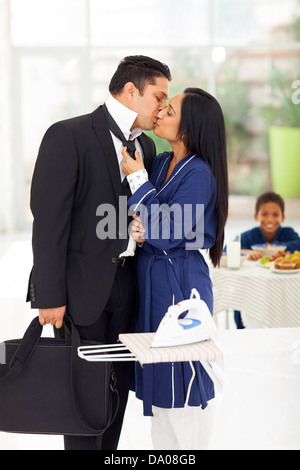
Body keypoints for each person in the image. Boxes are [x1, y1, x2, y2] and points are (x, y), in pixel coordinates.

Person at [26, 55, 171, 450]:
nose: (163, 108)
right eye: (158, 97)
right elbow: (49, 221)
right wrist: (50, 296)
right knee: (80, 403)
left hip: (128, 289)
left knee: (114, 399)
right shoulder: (68, 134)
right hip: (79, 292)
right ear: (130, 90)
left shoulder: (149, 149)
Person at [122, 88, 228, 450]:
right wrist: (140, 228)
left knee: (185, 385)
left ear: (190, 127)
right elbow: (144, 221)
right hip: (153, 281)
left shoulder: (199, 173)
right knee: (162, 394)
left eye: (171, 109)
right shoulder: (160, 161)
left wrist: (138, 183)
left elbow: (167, 230)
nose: (161, 112)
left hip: (181, 284)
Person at [234, 191, 300, 329]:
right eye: (264, 214)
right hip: (254, 292)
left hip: (281, 293)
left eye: (275, 215)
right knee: (240, 299)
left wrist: (280, 251)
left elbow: (297, 245)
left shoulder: (289, 234)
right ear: (256, 216)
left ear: (283, 218)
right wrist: (248, 253)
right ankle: (243, 328)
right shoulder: (248, 236)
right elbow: (230, 249)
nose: (270, 219)